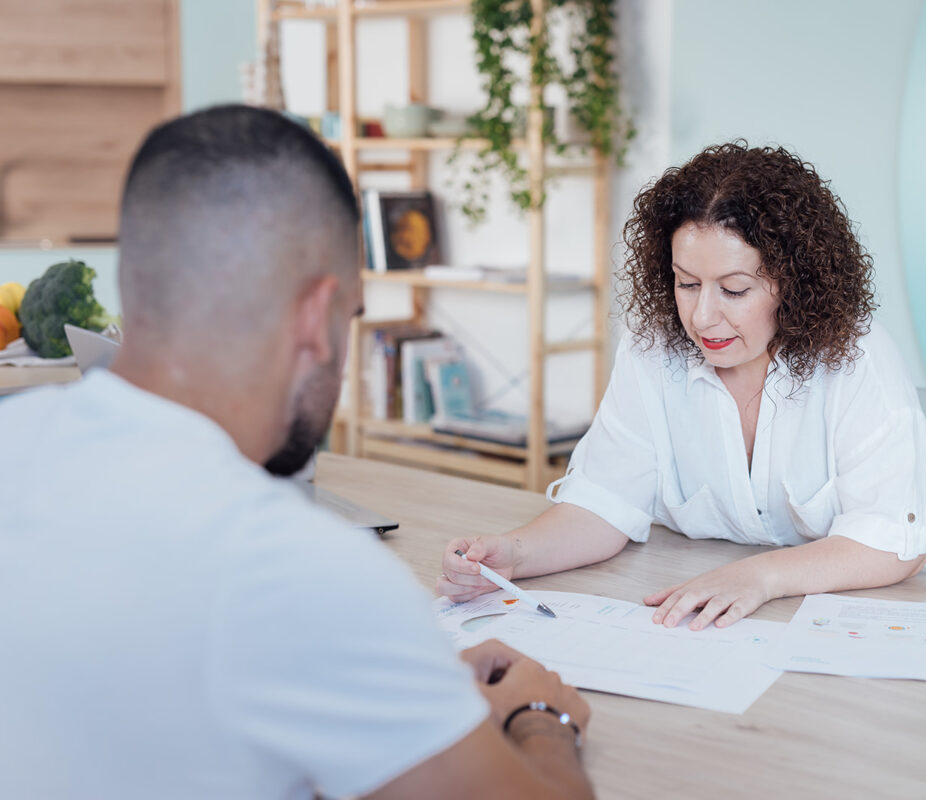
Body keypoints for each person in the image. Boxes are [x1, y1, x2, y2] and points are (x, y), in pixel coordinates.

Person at [0, 105, 592, 800]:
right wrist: (540, 717)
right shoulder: (301, 568)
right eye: (353, 318)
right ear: (318, 317)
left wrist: (405, 696)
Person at [439, 142, 926, 631]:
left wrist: (759, 577)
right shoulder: (652, 350)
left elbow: (893, 542)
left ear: (795, 283)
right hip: (695, 615)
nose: (703, 316)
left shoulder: (857, 356)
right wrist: (516, 554)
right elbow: (605, 502)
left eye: (734, 289)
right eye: (687, 283)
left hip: (820, 623)